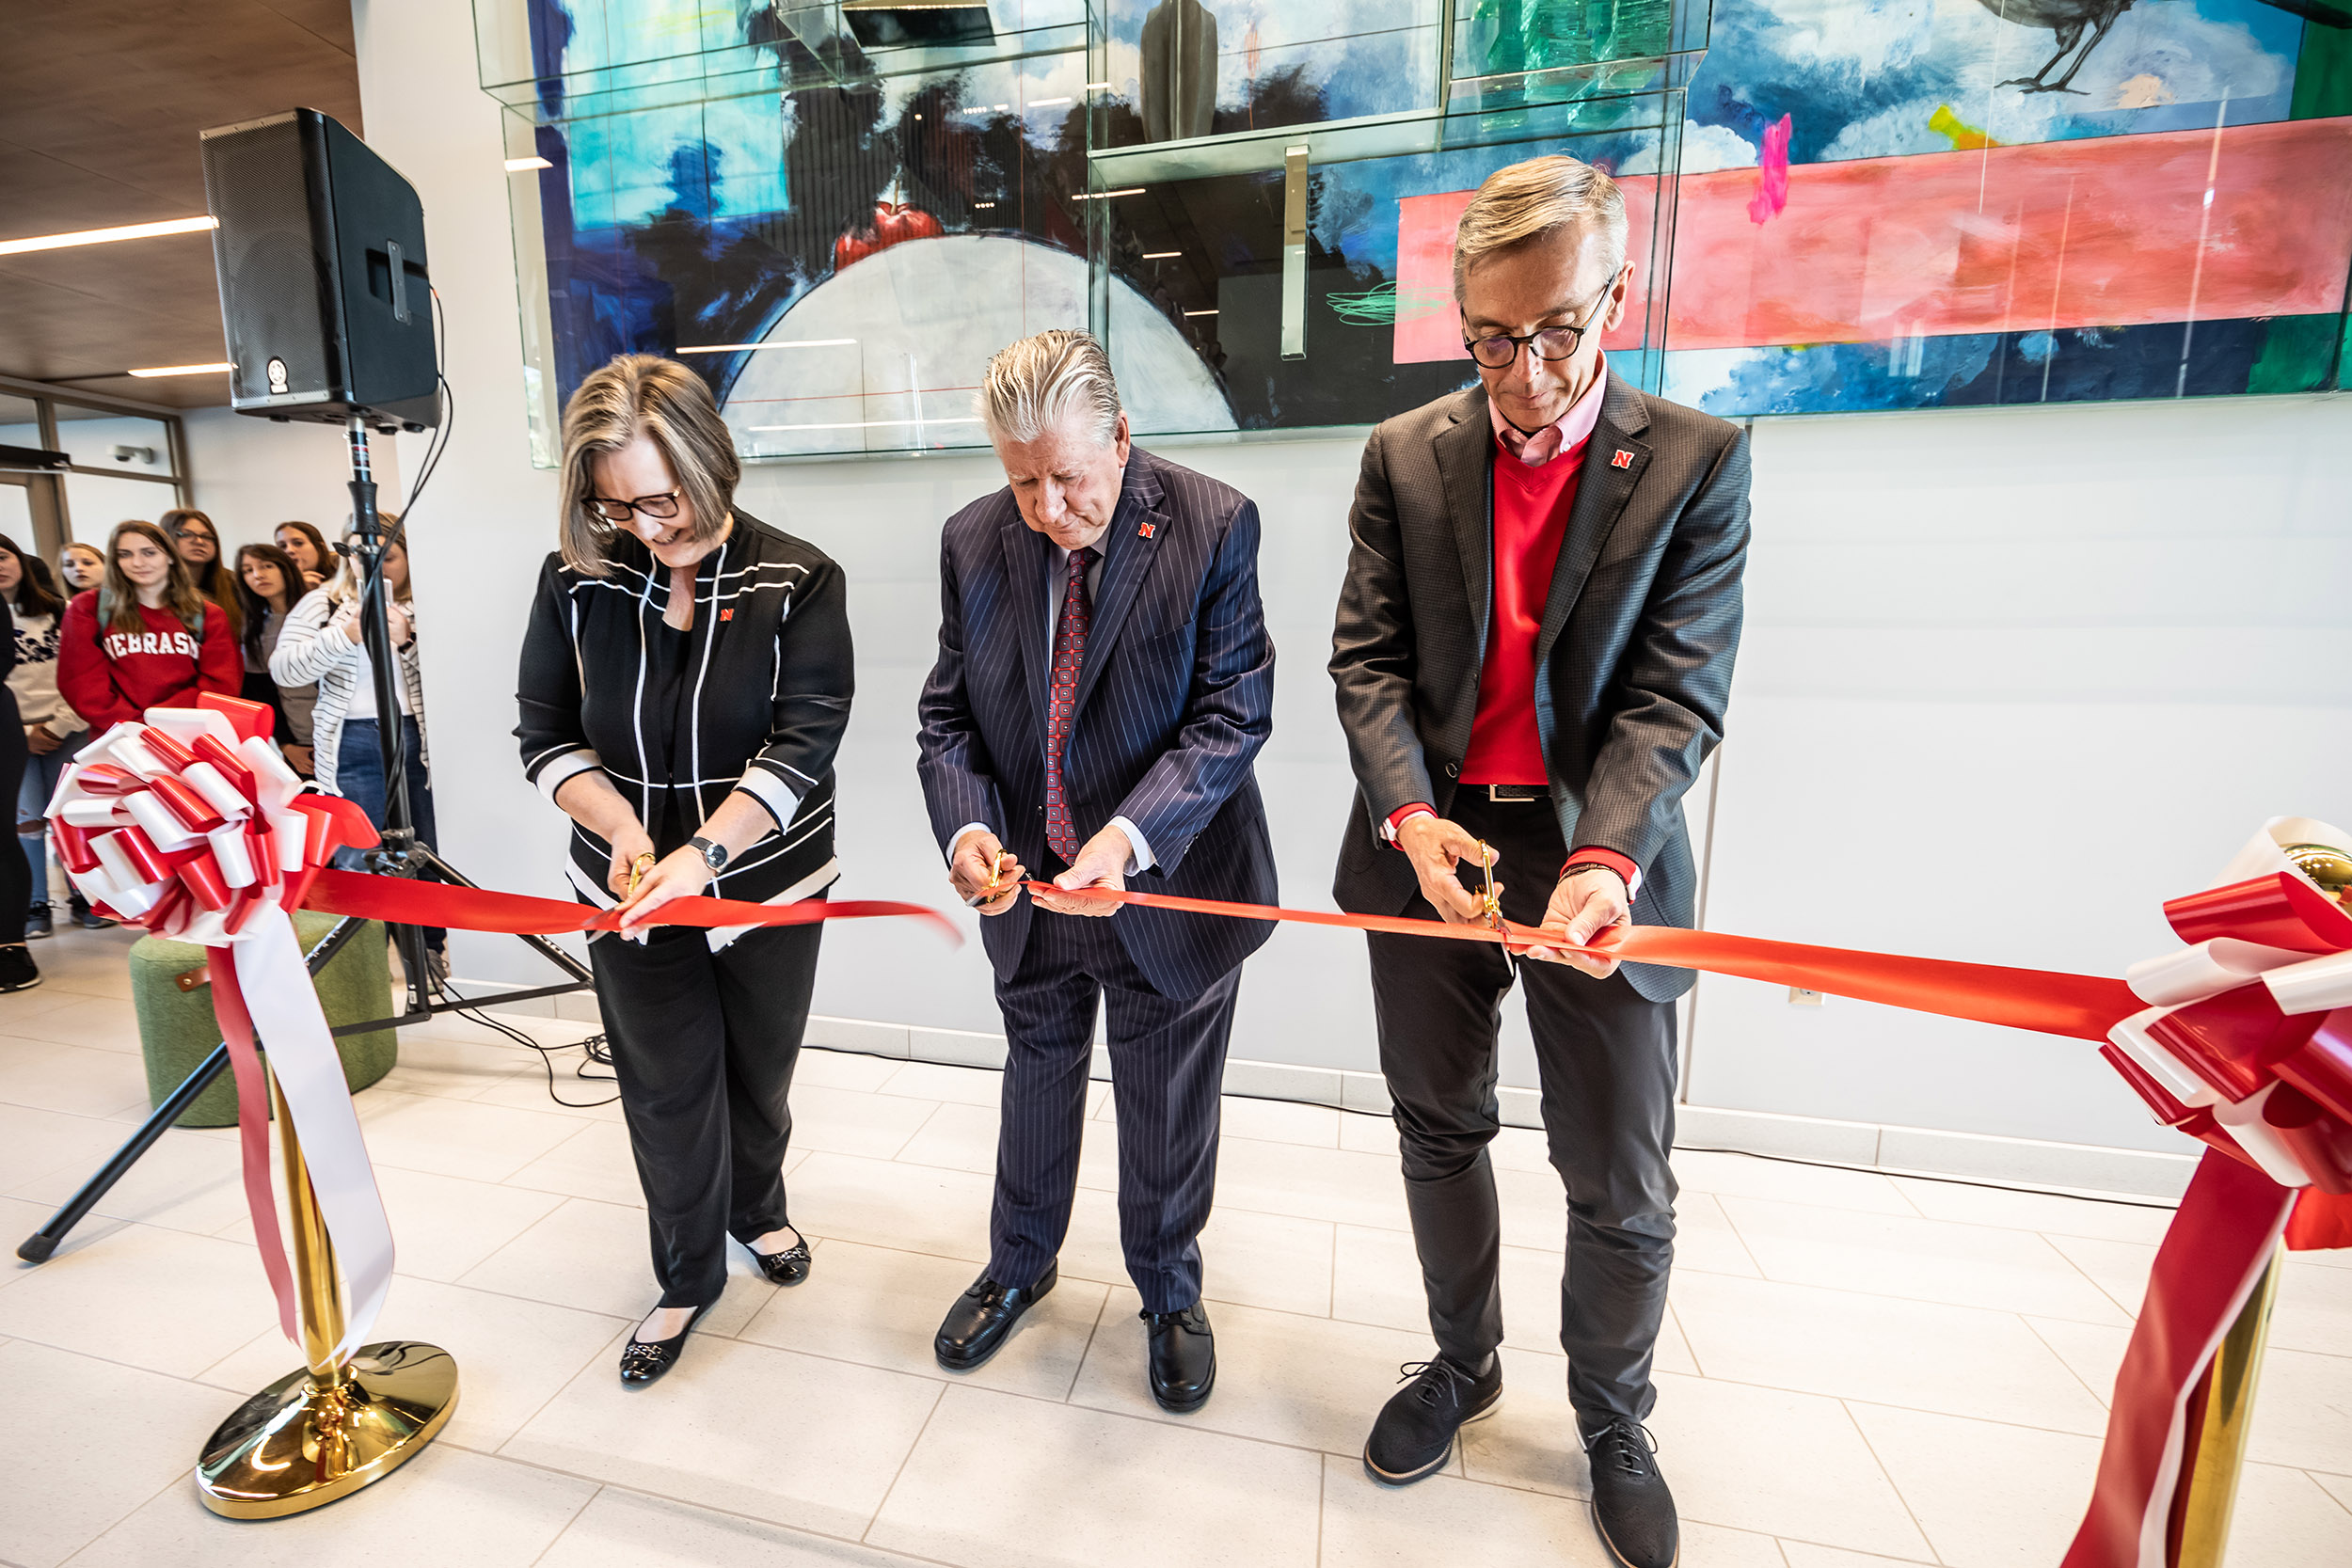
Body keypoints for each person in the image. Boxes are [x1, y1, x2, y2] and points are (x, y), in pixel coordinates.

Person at [1328, 155, 1751, 1568]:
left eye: (1560, 329)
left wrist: (1613, 854)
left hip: (1596, 853)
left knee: (1619, 1164)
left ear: (1616, 298)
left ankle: (1612, 1413)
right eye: (1495, 335)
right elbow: (1369, 664)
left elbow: (1673, 696)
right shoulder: (1403, 455)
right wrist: (1408, 816)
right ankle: (1463, 1360)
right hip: (1436, 840)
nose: (1527, 369)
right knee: (1439, 1122)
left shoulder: (1697, 459)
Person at [915, 330, 1276, 1412]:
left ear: (1120, 438)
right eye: (1020, 478)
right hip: (1030, 889)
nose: (1043, 506)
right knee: (1035, 1076)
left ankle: (1167, 1288)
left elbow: (1231, 714)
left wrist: (1125, 839)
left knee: (1165, 1097)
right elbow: (948, 719)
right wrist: (966, 830)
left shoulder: (1211, 523)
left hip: (1161, 882)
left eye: (1066, 477)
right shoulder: (972, 539)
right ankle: (1019, 1260)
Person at [516, 354, 853, 1386]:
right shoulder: (576, 578)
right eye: (616, 505)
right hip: (625, 891)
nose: (644, 525)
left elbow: (803, 743)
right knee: (665, 1085)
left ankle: (758, 1206)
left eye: (660, 498)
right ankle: (685, 1271)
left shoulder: (797, 576)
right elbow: (542, 733)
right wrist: (621, 829)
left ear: (711, 466)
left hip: (768, 883)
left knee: (759, 1072)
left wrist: (706, 853)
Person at [269, 512, 444, 972]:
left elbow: (460, 673)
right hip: (351, 741)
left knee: (426, 850)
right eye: (362, 555)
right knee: (360, 856)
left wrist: (407, 641)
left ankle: (426, 955)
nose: (376, 567)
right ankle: (363, 966)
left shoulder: (432, 600)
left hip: (421, 740)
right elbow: (285, 671)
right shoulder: (322, 604)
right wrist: (345, 636)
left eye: (390, 556)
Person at [0, 536, 108, 937]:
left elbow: (85, 673)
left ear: (20, 561)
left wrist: (59, 724)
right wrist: (24, 732)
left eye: (3, 556)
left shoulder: (62, 610)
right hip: (14, 733)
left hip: (67, 725)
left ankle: (85, 896)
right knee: (26, 823)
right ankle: (35, 905)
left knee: (71, 816)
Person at [58, 519, 243, 732]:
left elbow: (220, 685)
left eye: (149, 553)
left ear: (171, 557)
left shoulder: (208, 614)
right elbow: (81, 683)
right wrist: (135, 727)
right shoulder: (89, 607)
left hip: (186, 733)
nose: (137, 563)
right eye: (125, 554)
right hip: (119, 738)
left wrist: (158, 722)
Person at [234, 542, 315, 775]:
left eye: (266, 566)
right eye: (248, 570)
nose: (258, 575)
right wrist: (287, 745)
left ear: (285, 569)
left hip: (344, 731)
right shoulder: (253, 628)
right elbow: (261, 693)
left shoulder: (319, 611)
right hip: (299, 740)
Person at [160, 508, 243, 641]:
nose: (199, 541)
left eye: (206, 536)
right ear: (167, 539)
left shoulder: (234, 582)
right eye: (186, 534)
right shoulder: (154, 587)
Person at [275, 520, 334, 590]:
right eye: (283, 546)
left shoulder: (344, 577)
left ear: (320, 548)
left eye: (298, 543)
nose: (289, 550)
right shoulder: (277, 587)